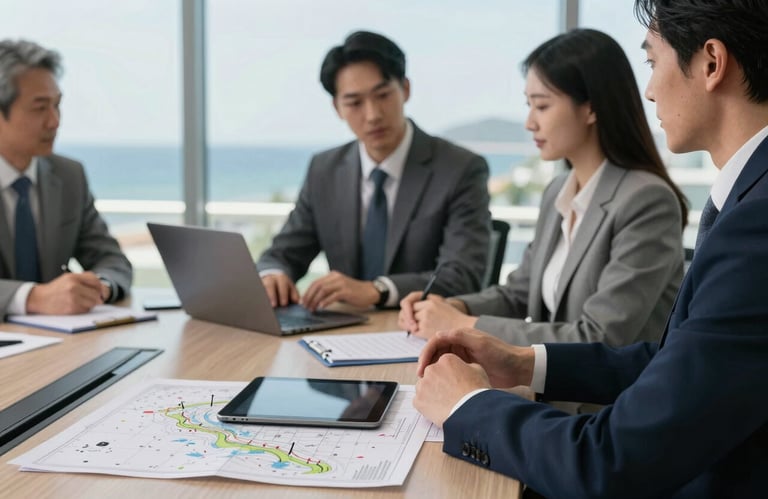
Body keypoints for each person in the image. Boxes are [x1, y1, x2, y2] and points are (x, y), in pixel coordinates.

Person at [413, 1, 768, 497]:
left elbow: (612, 463)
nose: (647, 89)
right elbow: (679, 358)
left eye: (651, 62)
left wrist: (466, 406)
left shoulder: (755, 220)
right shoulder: (747, 196)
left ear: (711, 63)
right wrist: (523, 362)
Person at [399, 29, 687, 348]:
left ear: (591, 108)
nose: (529, 123)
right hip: (547, 386)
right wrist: (455, 307)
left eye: (542, 106)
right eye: (529, 105)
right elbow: (519, 293)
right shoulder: (558, 190)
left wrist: (462, 324)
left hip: (608, 396)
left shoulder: (646, 200)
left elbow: (600, 337)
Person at [256, 31, 491, 311]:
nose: (373, 115)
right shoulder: (325, 169)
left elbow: (463, 276)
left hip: (421, 334)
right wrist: (273, 275)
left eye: (383, 95)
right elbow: (284, 252)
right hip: (340, 333)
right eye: (355, 103)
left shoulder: (460, 169)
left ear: (405, 89)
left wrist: (376, 290)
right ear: (337, 107)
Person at [0, 40, 132, 316]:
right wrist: (32, 298)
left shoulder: (69, 176)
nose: (55, 121)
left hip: (59, 345)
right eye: (40, 108)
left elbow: (111, 259)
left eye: (57, 105)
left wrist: (99, 287)